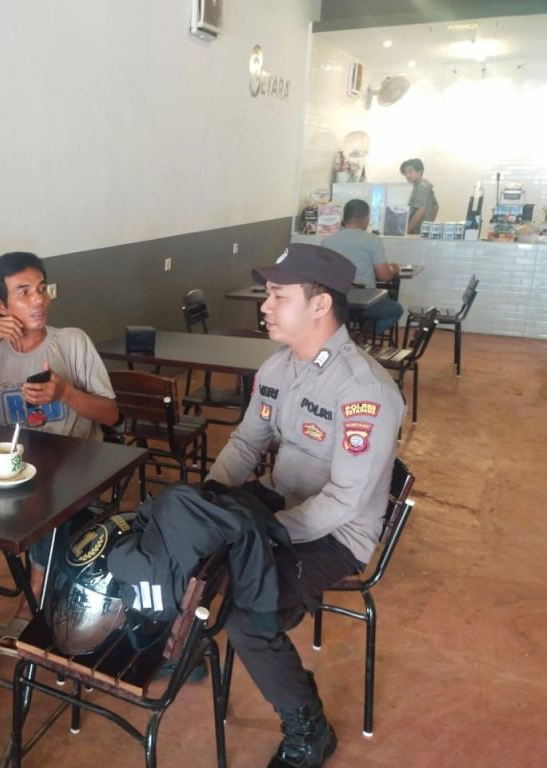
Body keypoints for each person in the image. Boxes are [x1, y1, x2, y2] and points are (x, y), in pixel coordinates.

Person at [205, 244, 405, 768]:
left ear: (320, 305)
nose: (265, 306)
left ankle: (308, 728)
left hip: (337, 534)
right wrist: (208, 499)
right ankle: (180, 645)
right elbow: (246, 444)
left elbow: (343, 501)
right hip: (282, 504)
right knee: (186, 540)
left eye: (278, 295)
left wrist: (266, 531)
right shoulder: (277, 367)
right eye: (267, 294)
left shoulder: (363, 390)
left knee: (249, 618)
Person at [0, 252, 119, 635]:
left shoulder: (72, 342)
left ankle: (31, 601)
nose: (39, 300)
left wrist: (65, 393)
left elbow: (111, 415)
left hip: (71, 472)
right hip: (8, 474)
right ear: (1, 307)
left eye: (42, 289)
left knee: (46, 505)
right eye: (24, 292)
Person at [322, 198, 404, 336]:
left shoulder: (327, 241)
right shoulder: (372, 240)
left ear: (344, 218)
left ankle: (348, 336)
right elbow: (383, 276)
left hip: (336, 304)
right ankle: (365, 336)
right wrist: (393, 268)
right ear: (366, 219)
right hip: (365, 304)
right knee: (395, 309)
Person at [400, 158, 439, 234]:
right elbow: (436, 207)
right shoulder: (426, 186)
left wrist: (407, 231)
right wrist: (428, 225)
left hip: (417, 233)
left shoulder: (421, 187)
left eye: (410, 171)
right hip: (422, 232)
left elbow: (420, 210)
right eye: (405, 173)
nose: (407, 175)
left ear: (420, 171)